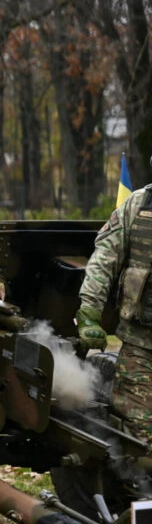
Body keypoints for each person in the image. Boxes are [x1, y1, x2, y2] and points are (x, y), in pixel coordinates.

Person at [78, 181, 152, 441]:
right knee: (141, 439)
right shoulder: (138, 205)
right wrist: (89, 312)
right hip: (141, 347)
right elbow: (104, 260)